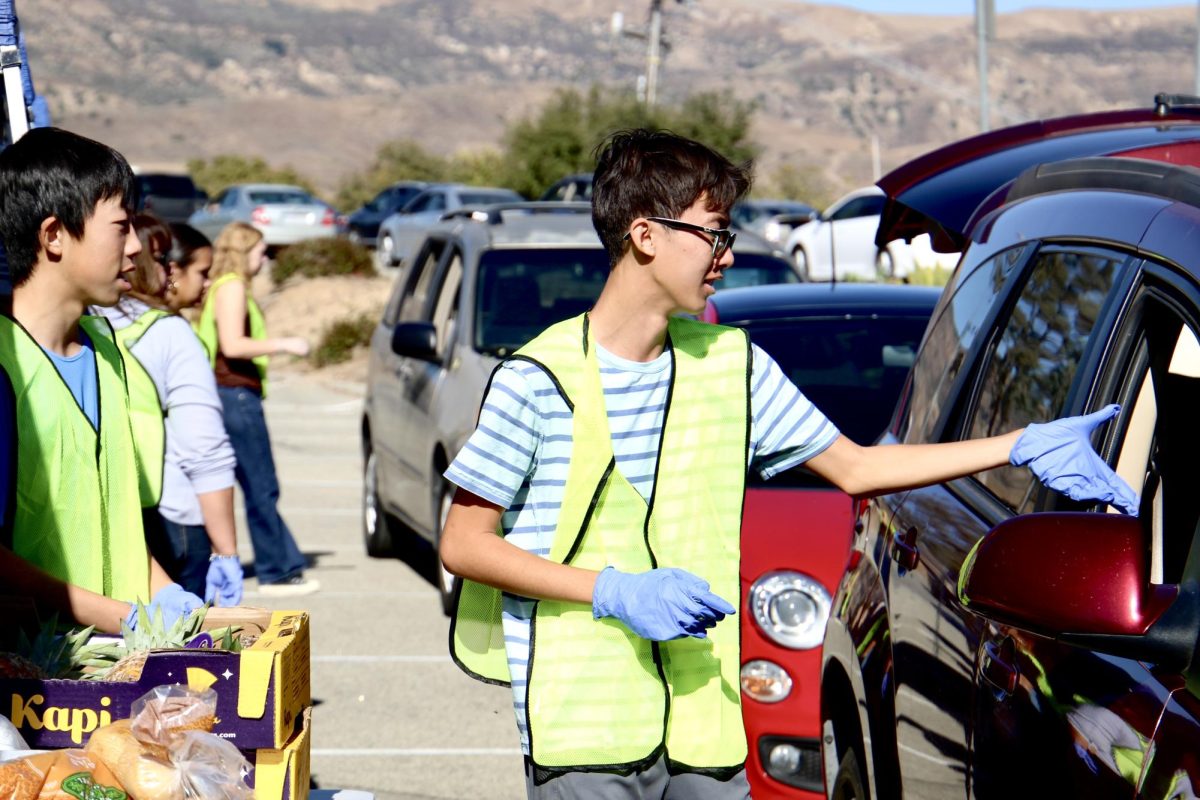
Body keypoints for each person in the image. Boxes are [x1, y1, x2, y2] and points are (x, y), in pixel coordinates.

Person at [439, 128, 1140, 800]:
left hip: (702, 727)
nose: (727, 255)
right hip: (583, 729)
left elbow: (858, 468)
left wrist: (1018, 444)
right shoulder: (537, 380)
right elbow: (463, 543)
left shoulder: (732, 366)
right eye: (714, 233)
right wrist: (612, 592)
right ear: (645, 234)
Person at [0, 127, 204, 633]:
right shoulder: (5, 365)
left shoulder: (106, 346)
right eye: (121, 226)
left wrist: (165, 593)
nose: (137, 247)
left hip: (113, 668)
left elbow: (118, 519)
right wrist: (120, 618)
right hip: (33, 680)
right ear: (53, 236)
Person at [91, 216, 242, 606]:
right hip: (172, 517)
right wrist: (226, 552)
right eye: (160, 259)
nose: (167, 271)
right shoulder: (169, 333)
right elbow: (204, 448)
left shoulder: (87, 324)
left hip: (109, 516)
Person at [195, 222, 317, 596]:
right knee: (261, 485)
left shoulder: (220, 286)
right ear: (244, 250)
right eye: (261, 251)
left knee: (250, 484)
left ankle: (281, 562)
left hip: (227, 395)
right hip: (236, 395)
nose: (264, 260)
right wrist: (286, 344)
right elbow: (232, 345)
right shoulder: (231, 287)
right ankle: (276, 570)